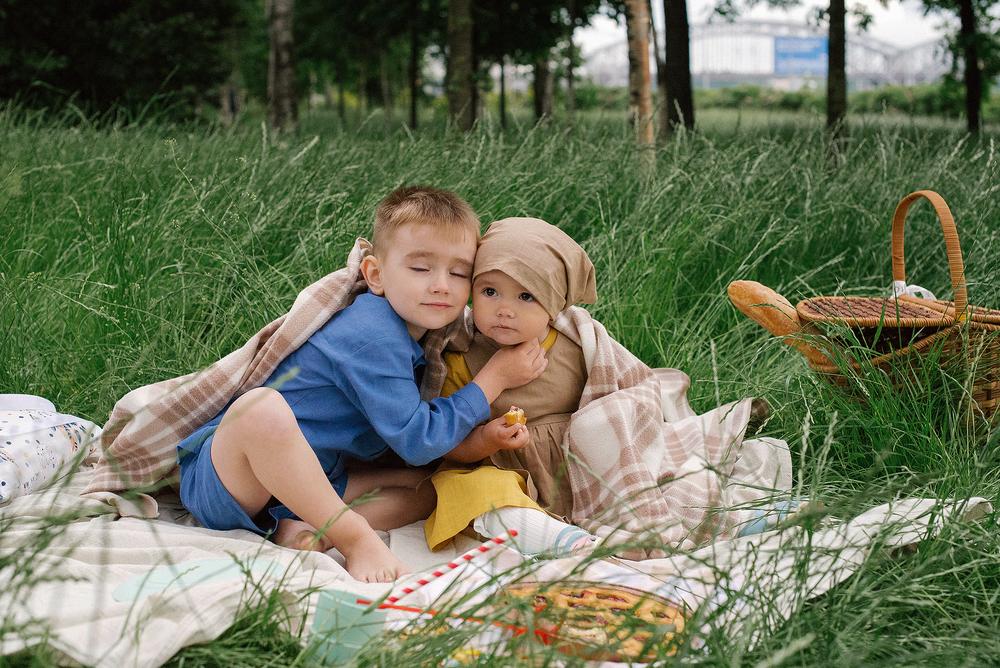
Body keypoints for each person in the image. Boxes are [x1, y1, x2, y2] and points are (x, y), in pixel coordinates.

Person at [175, 188, 548, 583]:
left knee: (429, 489)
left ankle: (309, 529)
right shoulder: (372, 333)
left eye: (458, 273)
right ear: (376, 275)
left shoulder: (417, 335)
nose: (441, 285)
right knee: (261, 409)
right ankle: (354, 540)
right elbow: (417, 439)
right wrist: (493, 379)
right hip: (230, 479)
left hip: (310, 479)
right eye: (421, 268)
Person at [424, 217, 601, 557]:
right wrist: (487, 439)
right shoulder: (461, 355)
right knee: (469, 488)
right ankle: (557, 539)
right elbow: (446, 442)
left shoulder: (579, 348)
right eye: (489, 292)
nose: (504, 309)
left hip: (575, 469)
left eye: (526, 296)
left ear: (554, 303)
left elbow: (618, 396)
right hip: (499, 468)